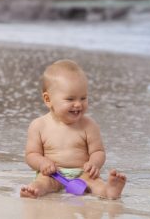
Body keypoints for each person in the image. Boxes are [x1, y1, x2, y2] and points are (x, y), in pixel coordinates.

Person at [20, 59, 126, 199]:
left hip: (83, 173)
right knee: (42, 182)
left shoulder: (89, 125)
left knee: (94, 182)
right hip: (53, 174)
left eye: (83, 98)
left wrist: (94, 164)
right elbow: (31, 155)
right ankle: (34, 191)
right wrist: (42, 163)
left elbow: (98, 151)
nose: (78, 104)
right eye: (70, 99)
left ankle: (109, 191)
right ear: (48, 99)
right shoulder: (39, 125)